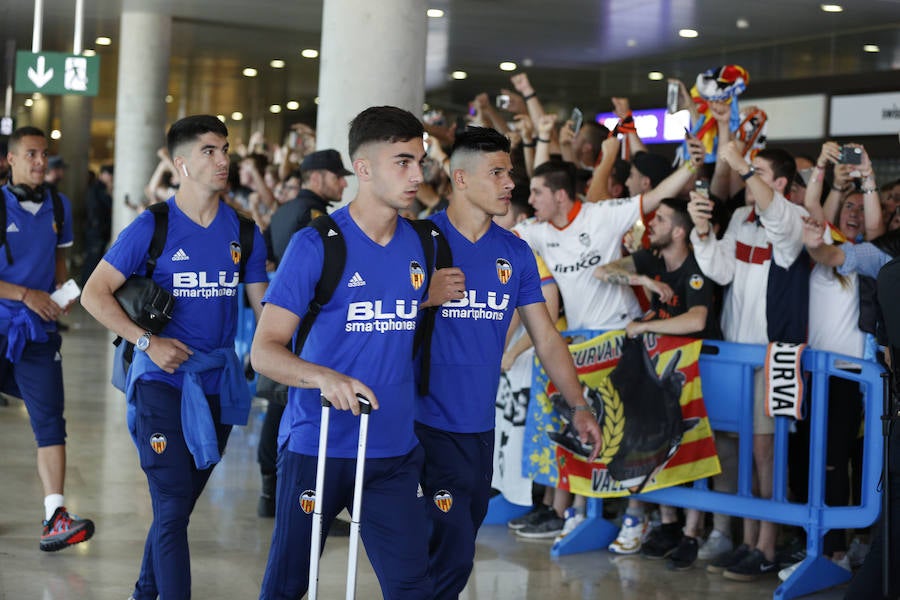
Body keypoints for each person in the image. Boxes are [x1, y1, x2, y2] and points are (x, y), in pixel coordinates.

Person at [255, 106, 454, 600]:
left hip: (391, 450)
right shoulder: (316, 244)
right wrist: (326, 378)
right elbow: (265, 350)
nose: (417, 174)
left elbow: (393, 305)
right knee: (288, 585)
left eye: (420, 161)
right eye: (402, 162)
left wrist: (427, 295)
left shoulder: (424, 244)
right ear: (363, 169)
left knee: (413, 588)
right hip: (317, 446)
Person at [80, 114, 268, 600]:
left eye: (225, 149)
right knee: (170, 505)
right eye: (209, 150)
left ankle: (144, 592)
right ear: (181, 163)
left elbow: (264, 310)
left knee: (176, 508)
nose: (223, 159)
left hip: (216, 386)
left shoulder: (245, 233)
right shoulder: (153, 226)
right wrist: (146, 341)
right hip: (160, 383)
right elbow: (94, 294)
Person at [415, 126, 602, 598]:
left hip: (477, 428)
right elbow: (373, 322)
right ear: (459, 178)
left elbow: (546, 336)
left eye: (509, 173)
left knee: (458, 555)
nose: (509, 184)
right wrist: (422, 298)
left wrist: (579, 405)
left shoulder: (515, 251)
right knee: (423, 554)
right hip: (417, 426)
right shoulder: (417, 240)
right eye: (496, 172)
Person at [594, 197, 722, 570]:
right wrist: (641, 278)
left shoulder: (698, 264)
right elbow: (603, 272)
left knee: (694, 445)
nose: (651, 224)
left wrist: (646, 325)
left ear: (679, 231)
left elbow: (697, 319)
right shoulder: (651, 258)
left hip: (701, 371)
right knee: (660, 442)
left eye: (661, 219)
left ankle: (693, 531)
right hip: (661, 371)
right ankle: (667, 523)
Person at [0, 126, 91, 551]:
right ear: (11, 160)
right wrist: (25, 294)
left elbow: (58, 256)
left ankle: (55, 515)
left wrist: (60, 292)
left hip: (37, 331)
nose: (40, 162)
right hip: (4, 322)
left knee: (51, 421)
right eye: (32, 154)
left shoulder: (59, 204)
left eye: (45, 155)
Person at [265, 148, 352, 265]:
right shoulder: (312, 214)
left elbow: (267, 256)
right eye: (337, 177)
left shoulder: (281, 211)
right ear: (316, 179)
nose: (344, 183)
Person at [80, 164, 114, 286]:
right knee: (92, 260)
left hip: (97, 229)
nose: (111, 177)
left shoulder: (97, 187)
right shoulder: (98, 189)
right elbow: (110, 203)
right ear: (103, 174)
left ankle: (87, 286)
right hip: (96, 230)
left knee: (94, 259)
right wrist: (110, 190)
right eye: (109, 174)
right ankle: (86, 286)